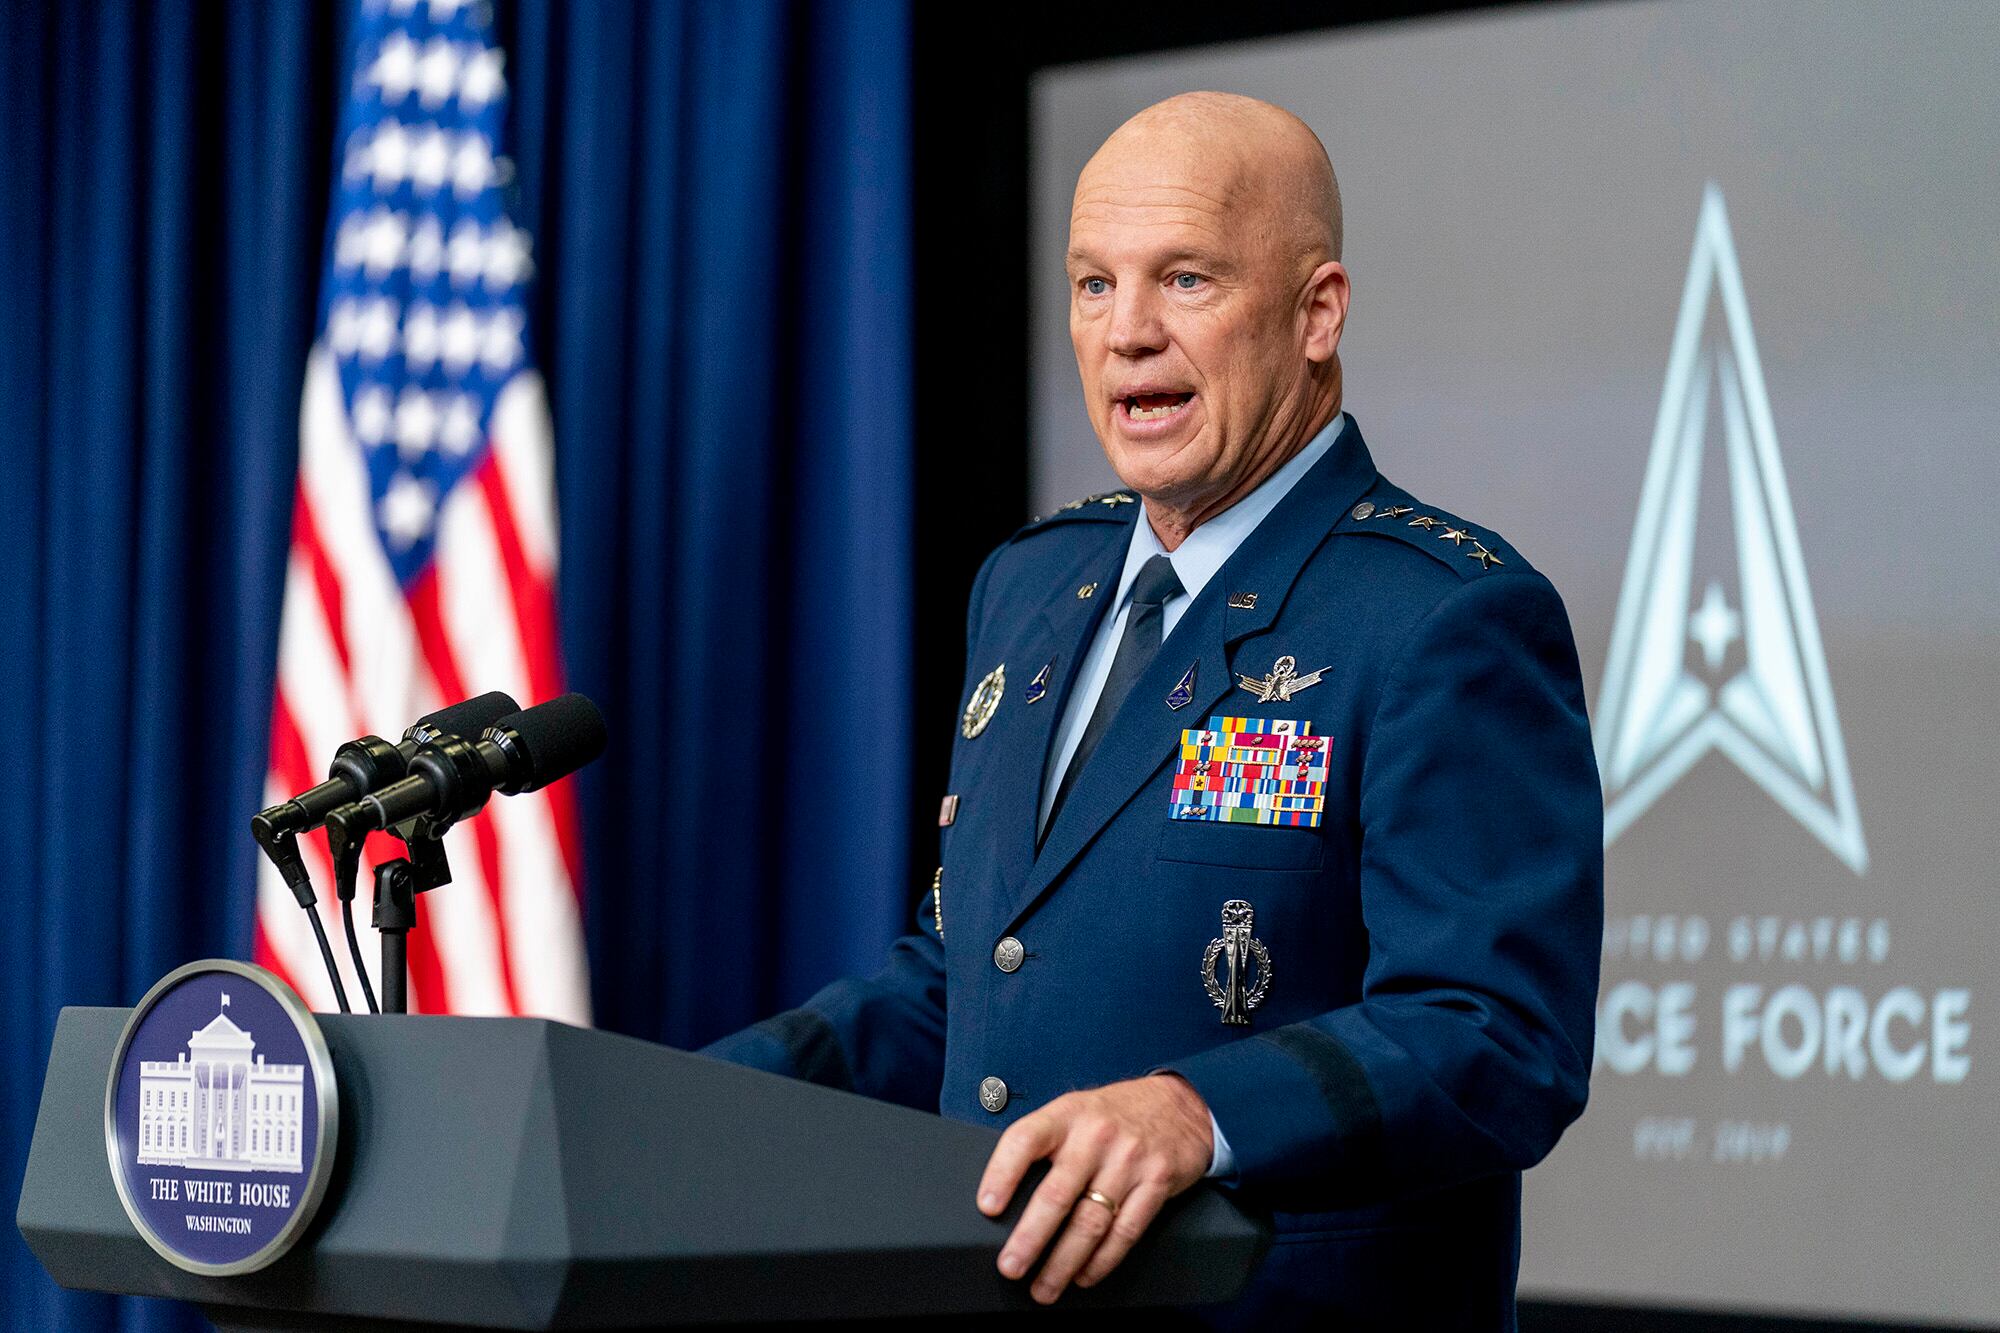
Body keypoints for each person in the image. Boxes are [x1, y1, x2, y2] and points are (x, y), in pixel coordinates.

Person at [703, 91, 1602, 1328]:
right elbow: (965, 977)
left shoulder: (1440, 618)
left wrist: (1200, 1112)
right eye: (1091, 285)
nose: (1125, 334)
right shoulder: (1026, 586)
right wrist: (692, 1100)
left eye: (1183, 280)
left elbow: (1498, 1037)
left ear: (1315, 313)